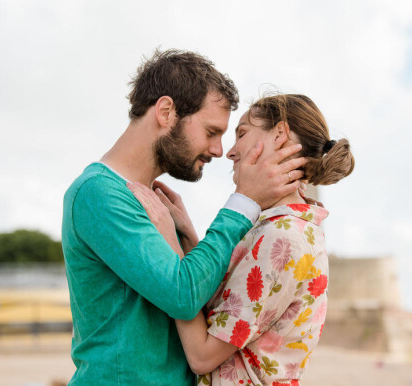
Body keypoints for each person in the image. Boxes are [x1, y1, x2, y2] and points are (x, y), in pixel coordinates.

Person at [61, 50, 307, 385]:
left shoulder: (157, 204)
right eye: (211, 131)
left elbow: (197, 299)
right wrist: (244, 202)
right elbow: (183, 295)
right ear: (165, 112)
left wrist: (190, 236)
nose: (219, 150)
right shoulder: (97, 194)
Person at [130, 94, 354, 385]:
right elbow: (228, 310)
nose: (230, 152)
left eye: (243, 133)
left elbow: (202, 356)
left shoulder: (283, 237)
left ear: (280, 135)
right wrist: (187, 236)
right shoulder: (282, 226)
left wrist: (169, 245)